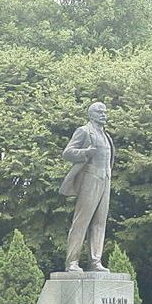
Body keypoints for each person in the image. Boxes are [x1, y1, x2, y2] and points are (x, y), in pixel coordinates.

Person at [59, 102, 115, 272]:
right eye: (100, 112)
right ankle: (72, 262)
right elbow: (67, 153)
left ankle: (95, 261)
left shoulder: (106, 135)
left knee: (100, 223)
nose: (104, 115)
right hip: (90, 177)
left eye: (105, 112)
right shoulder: (84, 131)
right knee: (81, 221)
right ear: (91, 115)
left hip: (105, 179)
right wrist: (84, 152)